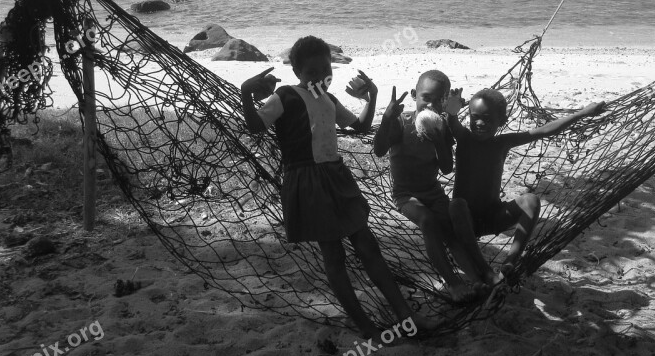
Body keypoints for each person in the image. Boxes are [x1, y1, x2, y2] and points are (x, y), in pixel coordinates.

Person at [241, 35, 429, 338]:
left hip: (336, 178)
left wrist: (373, 97)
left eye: (325, 71)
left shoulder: (329, 99)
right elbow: (254, 126)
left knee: (368, 245)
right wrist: (244, 94)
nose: (320, 78)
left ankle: (406, 317)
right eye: (312, 73)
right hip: (307, 182)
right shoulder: (285, 96)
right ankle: (365, 326)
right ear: (298, 72)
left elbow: (361, 126)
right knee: (334, 256)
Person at [445, 88, 606, 278]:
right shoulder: (464, 138)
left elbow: (544, 131)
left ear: (502, 122)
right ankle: (486, 270)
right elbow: (452, 122)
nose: (480, 123)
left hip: (493, 217)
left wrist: (582, 113)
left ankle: (510, 261)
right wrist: (452, 110)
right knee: (456, 205)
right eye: (475, 117)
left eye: (487, 119)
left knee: (531, 201)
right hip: (465, 221)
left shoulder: (502, 143)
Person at [373, 70, 490, 301]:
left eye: (438, 100)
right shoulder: (401, 122)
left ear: (445, 102)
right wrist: (386, 118)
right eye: (426, 97)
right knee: (428, 221)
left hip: (433, 192)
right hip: (405, 194)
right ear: (415, 95)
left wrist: (439, 140)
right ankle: (454, 283)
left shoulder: (441, 126)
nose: (431, 104)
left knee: (451, 233)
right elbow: (379, 150)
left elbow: (446, 168)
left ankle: (477, 280)